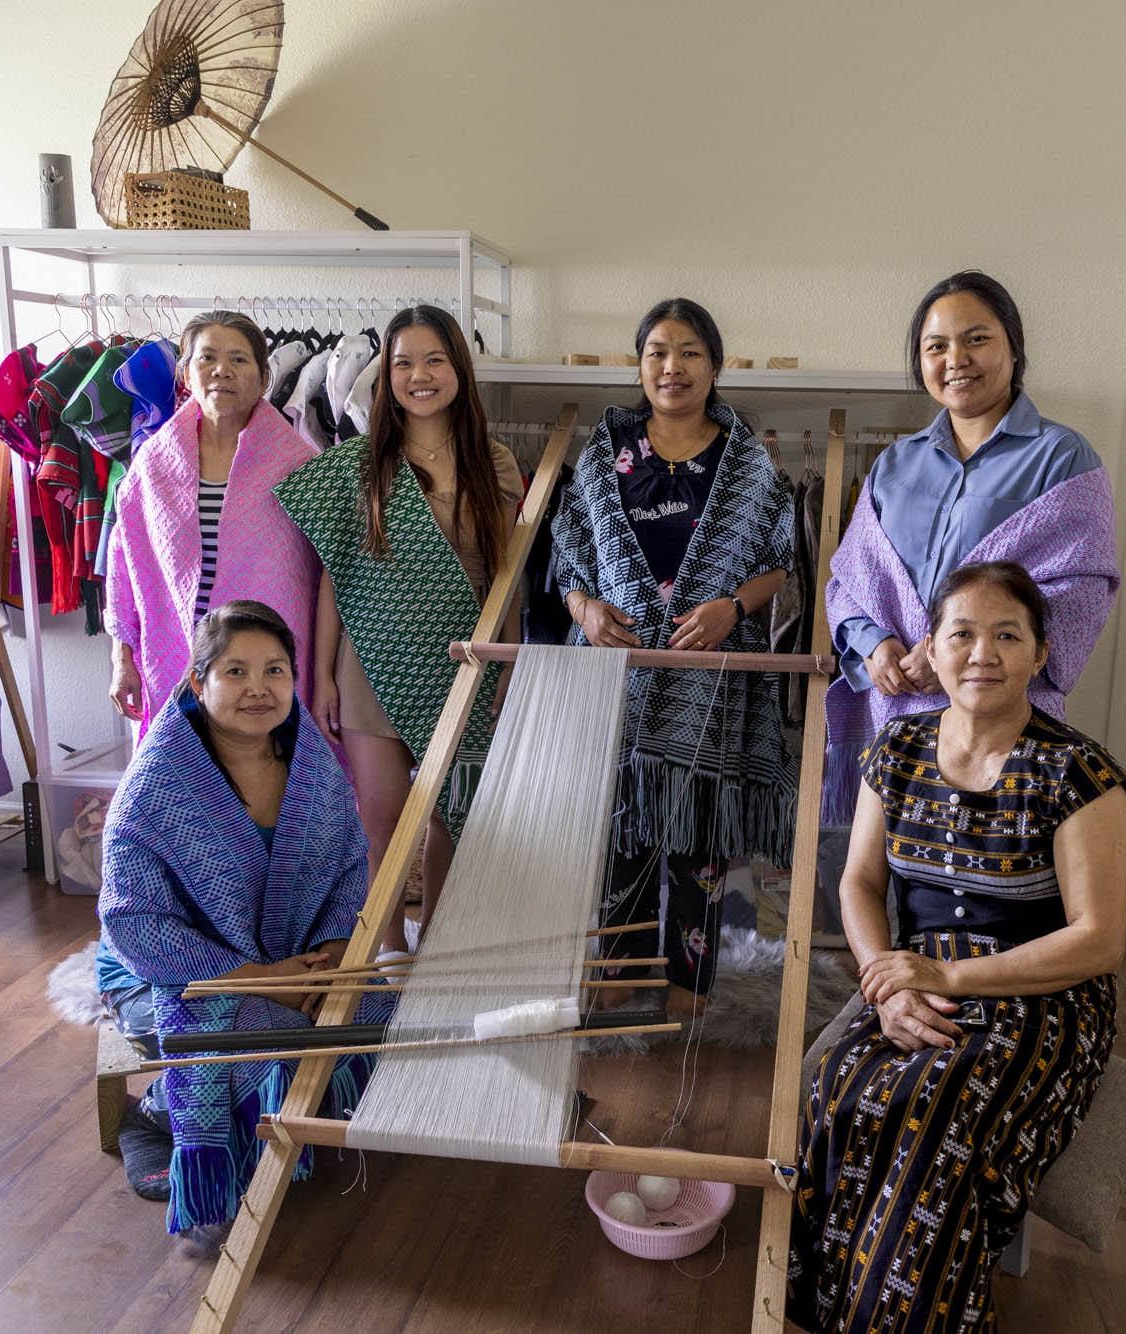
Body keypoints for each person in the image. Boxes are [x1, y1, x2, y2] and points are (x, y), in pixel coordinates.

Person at [787, 562, 1126, 1332]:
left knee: (936, 1103)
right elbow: (858, 885)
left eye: (1008, 635)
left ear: (1041, 654)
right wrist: (891, 987)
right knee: (835, 1088)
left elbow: (1098, 942)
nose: (984, 653)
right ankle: (823, 1307)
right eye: (963, 634)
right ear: (932, 653)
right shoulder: (899, 747)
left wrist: (947, 973)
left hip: (1044, 991)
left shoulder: (1076, 774)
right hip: (915, 974)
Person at [97, 601, 387, 1246]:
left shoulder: (312, 764)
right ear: (198, 683)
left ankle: (284, 1130)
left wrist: (335, 949)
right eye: (236, 671)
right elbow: (132, 921)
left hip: (295, 956)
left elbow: (348, 863)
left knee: (376, 1007)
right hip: (165, 975)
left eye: (275, 670)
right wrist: (258, 978)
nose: (258, 688)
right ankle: (156, 1117)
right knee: (271, 1036)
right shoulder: (157, 786)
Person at [550, 297, 794, 1019]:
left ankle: (690, 980)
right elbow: (569, 555)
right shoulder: (602, 457)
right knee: (622, 826)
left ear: (714, 365)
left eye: (689, 351)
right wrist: (585, 610)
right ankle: (618, 968)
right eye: (657, 351)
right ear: (640, 365)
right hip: (616, 675)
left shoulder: (747, 461)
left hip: (709, 678)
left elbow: (779, 558)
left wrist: (733, 609)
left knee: (700, 834)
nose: (672, 366)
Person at [822, 271, 1119, 820]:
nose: (955, 358)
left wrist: (957, 654)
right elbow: (851, 581)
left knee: (982, 874)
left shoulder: (1062, 457)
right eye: (936, 346)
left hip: (1000, 718)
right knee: (886, 869)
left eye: (976, 339)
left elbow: (1079, 593)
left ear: (1012, 346)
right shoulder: (893, 464)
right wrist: (876, 644)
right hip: (898, 712)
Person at [276, 305, 523, 955]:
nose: (419, 375)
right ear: (385, 376)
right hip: (371, 668)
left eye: (434, 360)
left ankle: (439, 941)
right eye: (403, 363)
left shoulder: (494, 462)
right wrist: (325, 675)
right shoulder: (356, 465)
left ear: (459, 372)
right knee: (381, 819)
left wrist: (508, 663)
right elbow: (337, 577)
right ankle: (386, 949)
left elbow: (507, 576)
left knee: (451, 816)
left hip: (465, 662)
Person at [103, 311, 321, 740]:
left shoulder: (300, 466)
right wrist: (121, 658)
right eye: (208, 358)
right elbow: (124, 565)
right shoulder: (152, 464)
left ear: (263, 380)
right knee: (183, 783)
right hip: (178, 657)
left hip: (266, 665)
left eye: (239, 360)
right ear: (187, 373)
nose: (222, 370)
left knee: (266, 783)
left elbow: (324, 580)